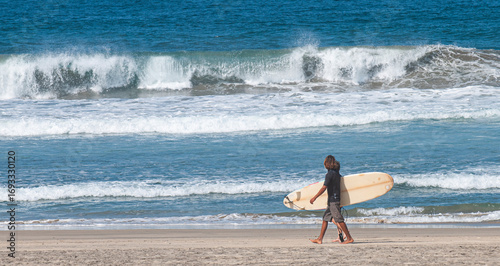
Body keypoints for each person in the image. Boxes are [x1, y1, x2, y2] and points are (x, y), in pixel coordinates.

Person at [309, 155, 354, 244]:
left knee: (339, 219)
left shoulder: (329, 175)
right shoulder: (337, 174)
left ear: (327, 163)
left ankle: (349, 238)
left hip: (333, 201)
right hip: (333, 200)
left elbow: (324, 187)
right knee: (325, 218)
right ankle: (319, 239)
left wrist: (314, 197)